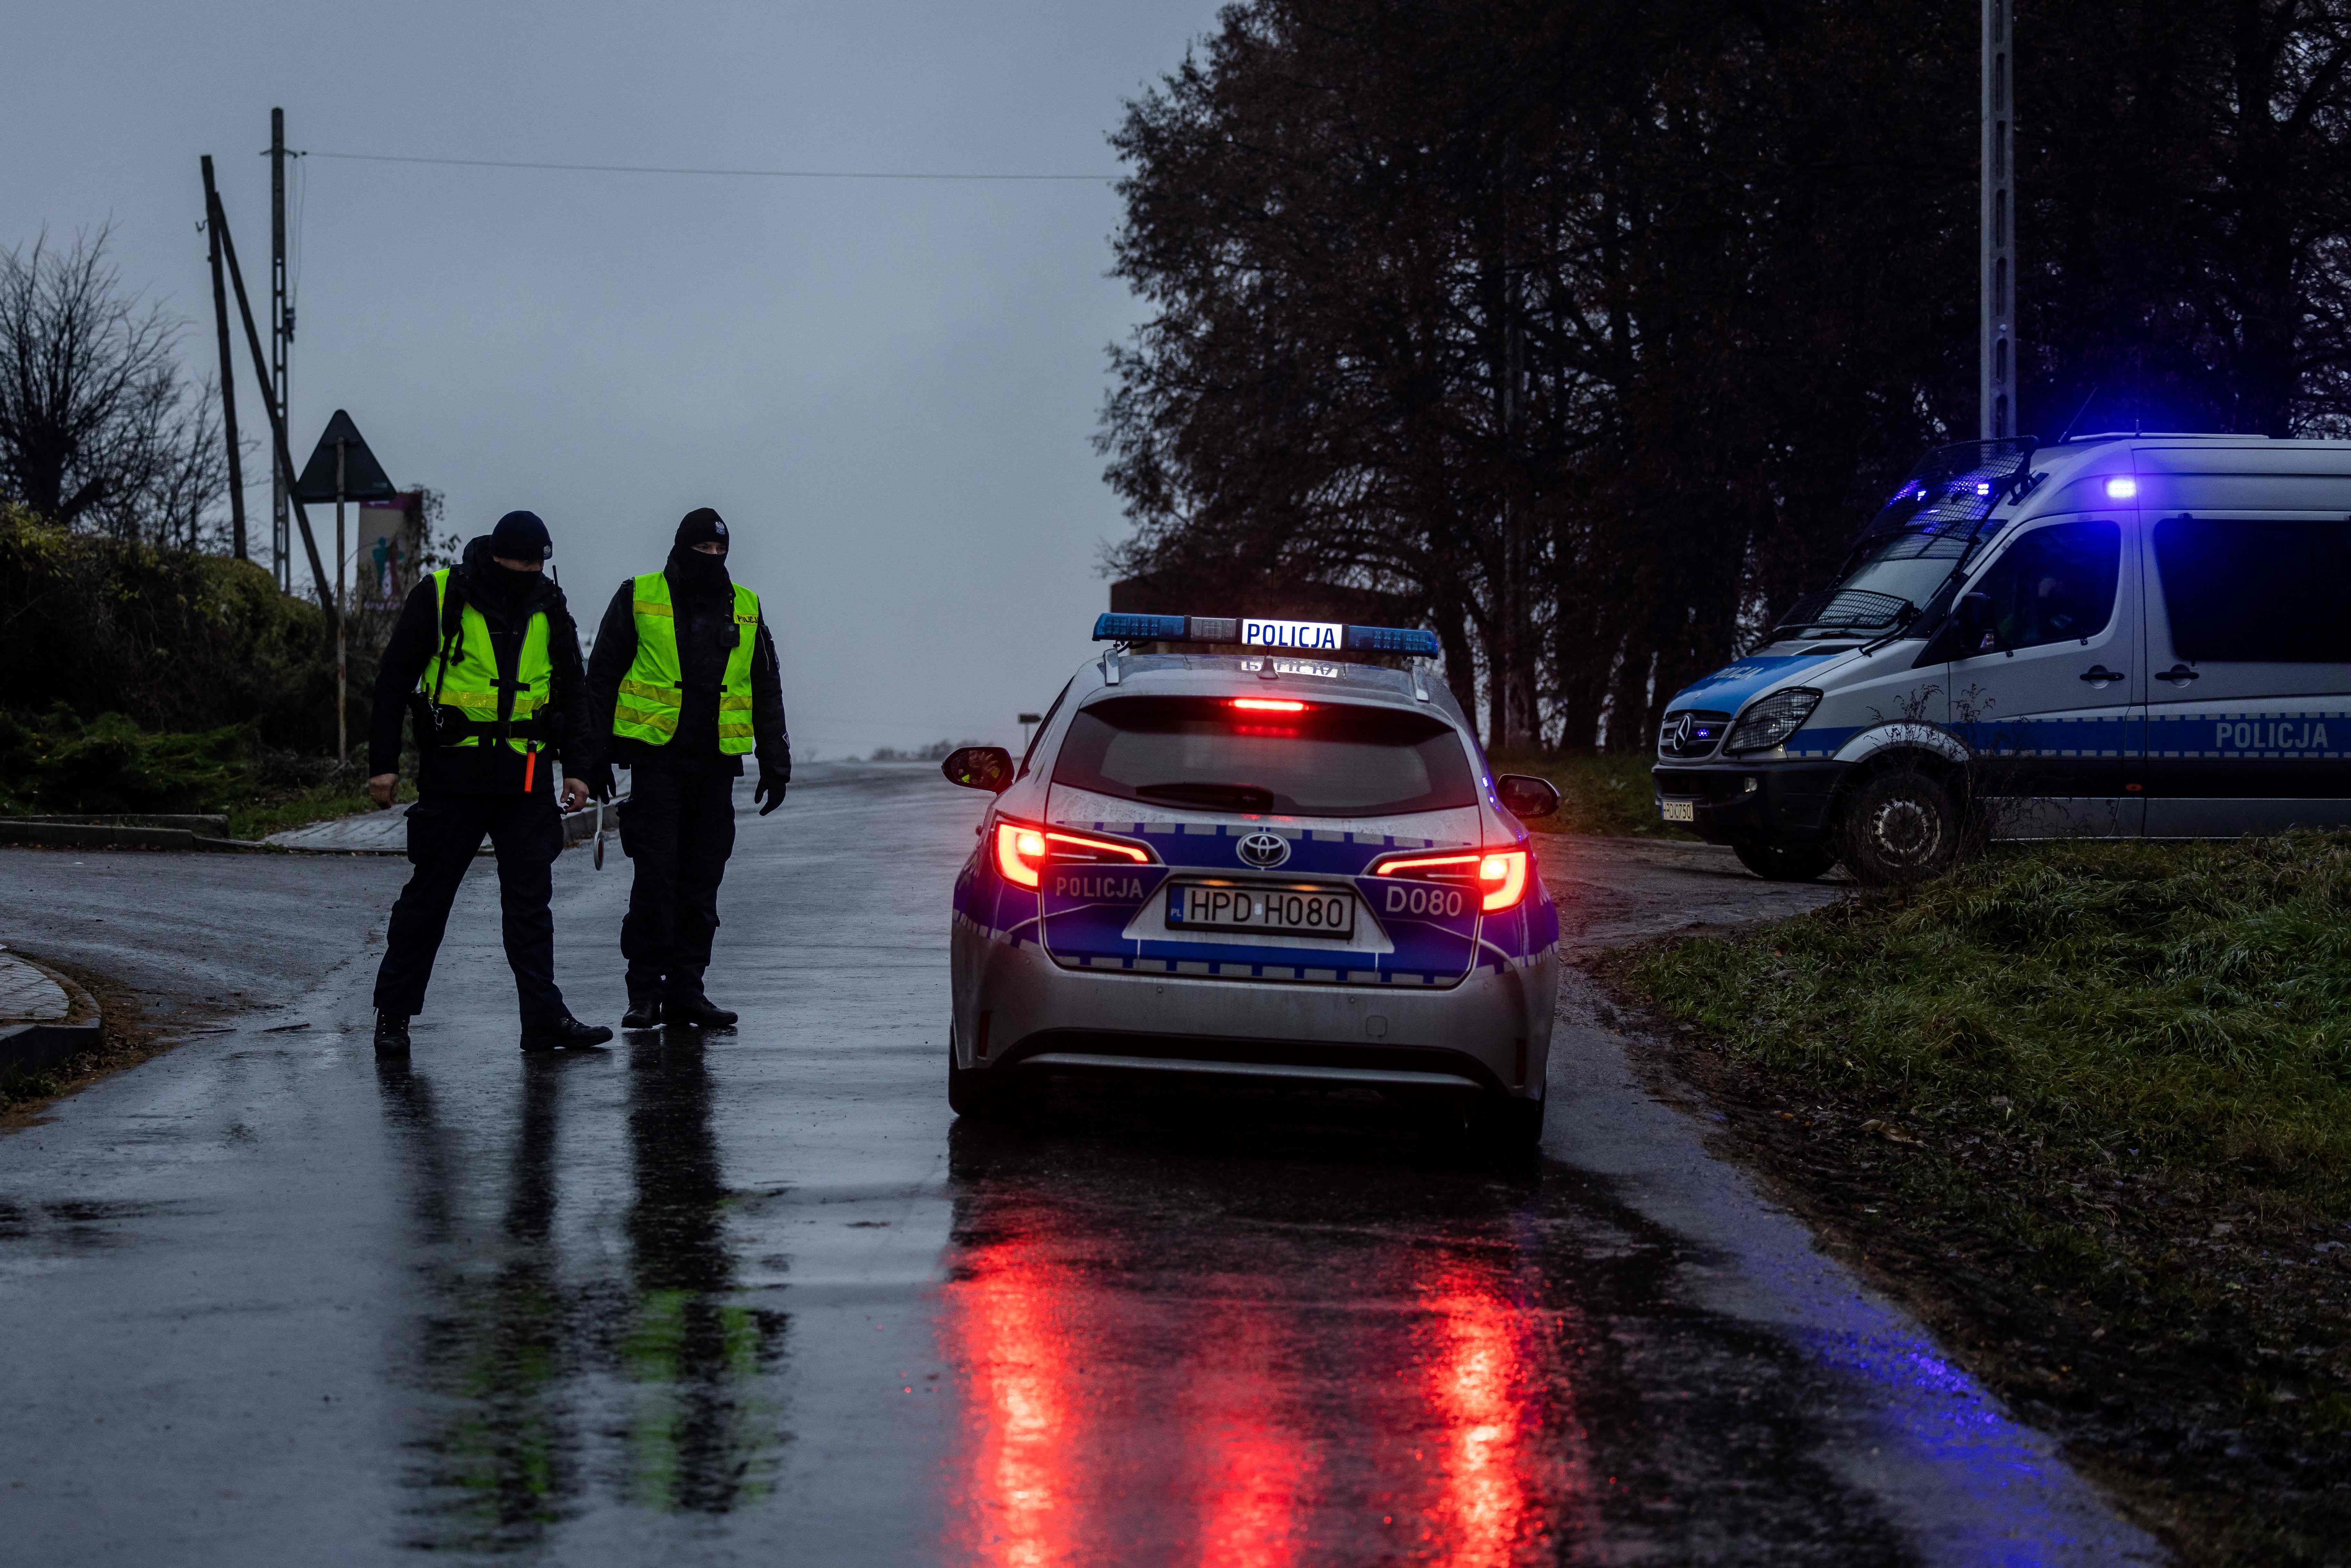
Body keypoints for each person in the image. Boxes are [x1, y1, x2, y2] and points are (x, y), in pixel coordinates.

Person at [366, 510, 614, 1054]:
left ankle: (543, 1021)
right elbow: (393, 680)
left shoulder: (549, 604)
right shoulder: (441, 595)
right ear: (498, 556)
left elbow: (574, 691)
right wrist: (382, 764)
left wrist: (579, 768)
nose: (531, 574)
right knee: (427, 901)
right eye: (523, 565)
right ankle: (394, 1017)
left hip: (525, 779)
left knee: (531, 908)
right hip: (453, 778)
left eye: (538, 566)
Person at [585, 507, 790, 1030]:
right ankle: (643, 993)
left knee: (703, 882)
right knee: (656, 880)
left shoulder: (746, 606)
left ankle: (687, 990)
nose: (712, 558)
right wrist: (593, 755)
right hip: (657, 762)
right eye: (703, 549)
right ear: (681, 548)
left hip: (716, 766)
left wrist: (775, 759)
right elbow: (601, 677)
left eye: (720, 551)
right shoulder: (639, 595)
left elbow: (765, 684)